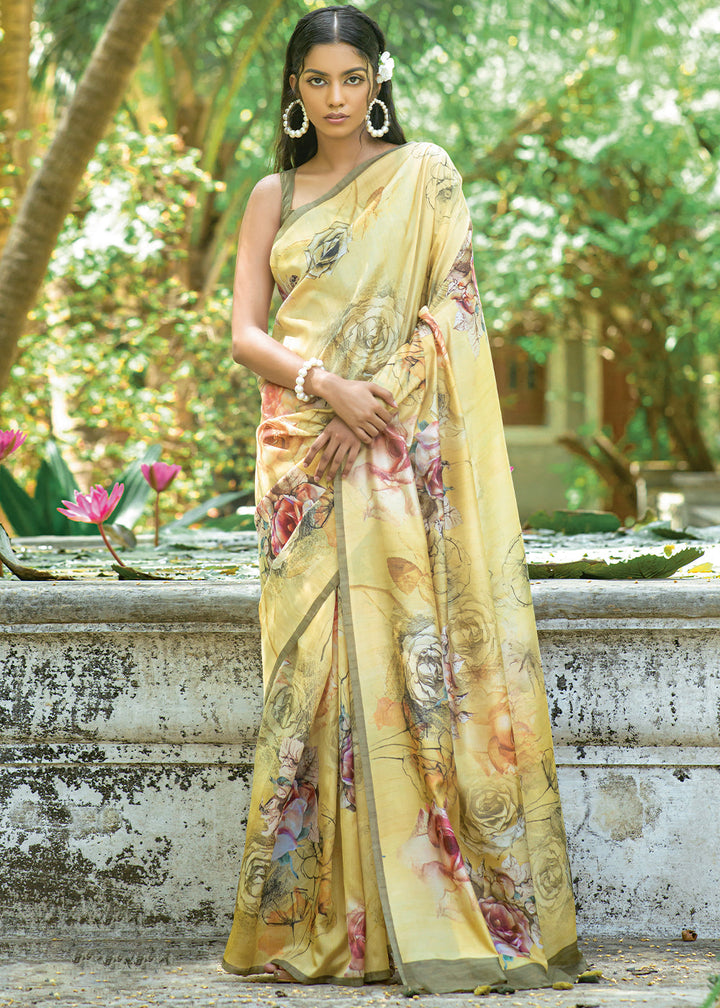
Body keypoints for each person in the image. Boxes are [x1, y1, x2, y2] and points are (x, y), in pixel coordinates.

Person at [222, 4, 585, 995]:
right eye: (317, 81)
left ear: (377, 79)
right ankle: (317, 922)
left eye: (352, 78)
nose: (336, 98)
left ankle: (412, 918)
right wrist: (327, 389)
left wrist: (371, 403)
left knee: (411, 672)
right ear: (294, 90)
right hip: (300, 453)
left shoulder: (425, 175)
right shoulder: (273, 194)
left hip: (391, 442)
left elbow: (452, 309)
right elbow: (247, 333)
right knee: (307, 681)